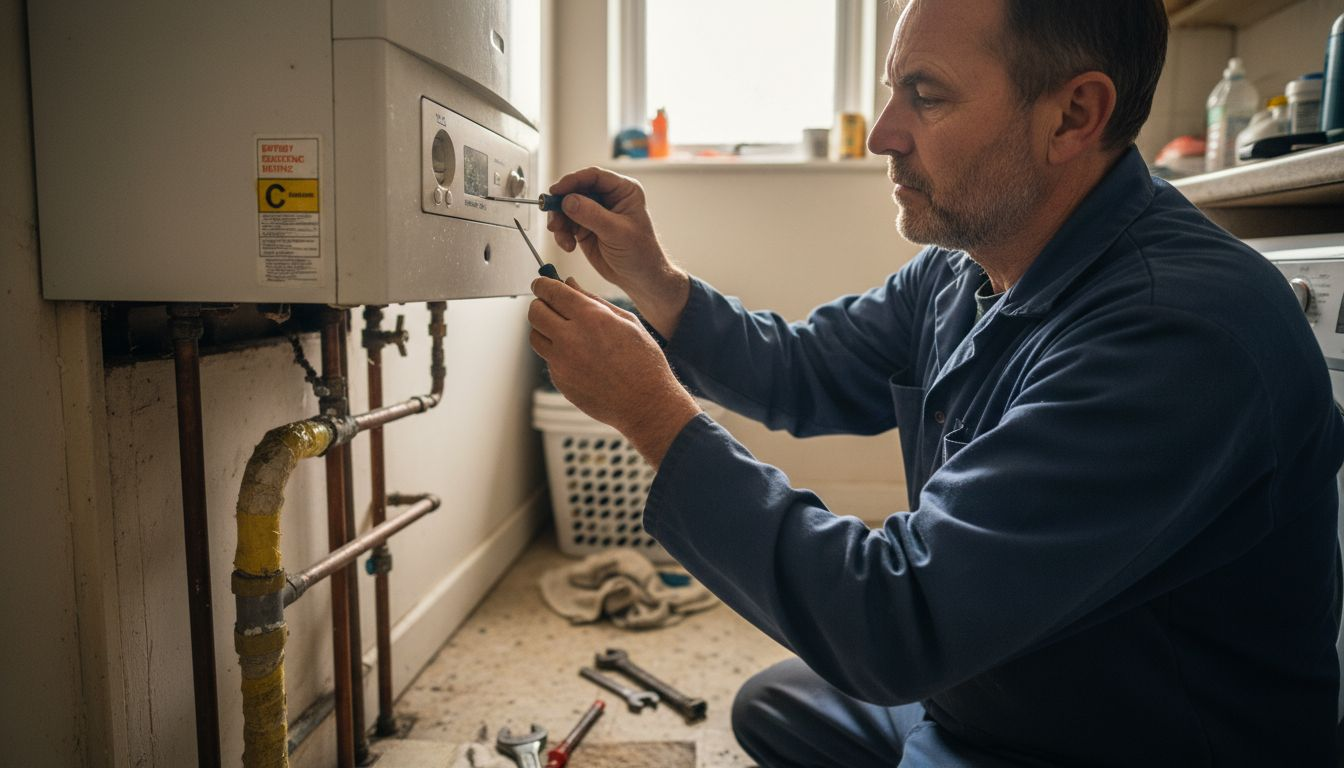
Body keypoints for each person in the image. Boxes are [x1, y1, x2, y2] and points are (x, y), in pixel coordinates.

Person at [527, 0, 1344, 763]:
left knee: (852, 658)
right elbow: (805, 367)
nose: (884, 134)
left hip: (1117, 736)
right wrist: (657, 282)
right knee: (775, 703)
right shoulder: (968, 264)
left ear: (1073, 115)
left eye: (925, 95)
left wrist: (652, 414)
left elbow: (896, 622)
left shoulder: (1181, 334)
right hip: (1009, 674)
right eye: (893, 89)